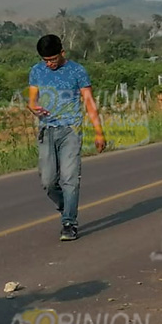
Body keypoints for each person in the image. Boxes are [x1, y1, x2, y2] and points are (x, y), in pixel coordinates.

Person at [28, 34, 106, 241]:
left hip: (70, 130)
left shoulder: (77, 71)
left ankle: (69, 223)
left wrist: (99, 132)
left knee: (70, 179)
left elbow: (89, 102)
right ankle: (67, 206)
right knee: (48, 181)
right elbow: (32, 100)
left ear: (62, 53)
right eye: (46, 60)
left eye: (53, 59)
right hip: (46, 130)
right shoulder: (36, 71)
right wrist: (33, 108)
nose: (50, 63)